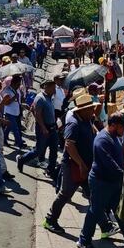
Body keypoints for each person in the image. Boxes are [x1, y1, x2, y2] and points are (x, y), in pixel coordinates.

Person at [76, 113, 124, 248]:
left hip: (113, 182)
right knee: (95, 211)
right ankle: (84, 240)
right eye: (123, 127)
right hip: (101, 182)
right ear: (115, 125)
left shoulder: (115, 137)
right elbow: (109, 163)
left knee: (119, 211)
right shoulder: (102, 140)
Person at [43, 95, 98, 234]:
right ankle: (50, 219)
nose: (93, 110)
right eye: (90, 108)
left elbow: (92, 130)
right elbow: (69, 145)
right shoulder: (74, 124)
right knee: (65, 193)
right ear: (82, 110)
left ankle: (106, 226)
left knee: (93, 195)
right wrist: (81, 164)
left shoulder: (86, 120)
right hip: (73, 166)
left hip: (85, 165)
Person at [16, 79, 59, 177]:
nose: (54, 90)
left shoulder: (49, 97)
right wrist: (43, 127)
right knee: (39, 150)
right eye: (53, 88)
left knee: (54, 150)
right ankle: (22, 159)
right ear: (46, 87)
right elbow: (37, 113)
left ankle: (50, 171)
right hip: (43, 128)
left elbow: (32, 108)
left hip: (52, 128)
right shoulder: (40, 98)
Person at [1, 74, 24, 149]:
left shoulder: (17, 90)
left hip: (15, 111)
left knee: (9, 127)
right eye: (18, 84)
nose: (19, 85)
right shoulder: (7, 90)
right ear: (13, 83)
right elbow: (6, 102)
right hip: (9, 112)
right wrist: (14, 97)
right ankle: (19, 143)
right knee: (15, 128)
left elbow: (19, 100)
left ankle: (3, 139)